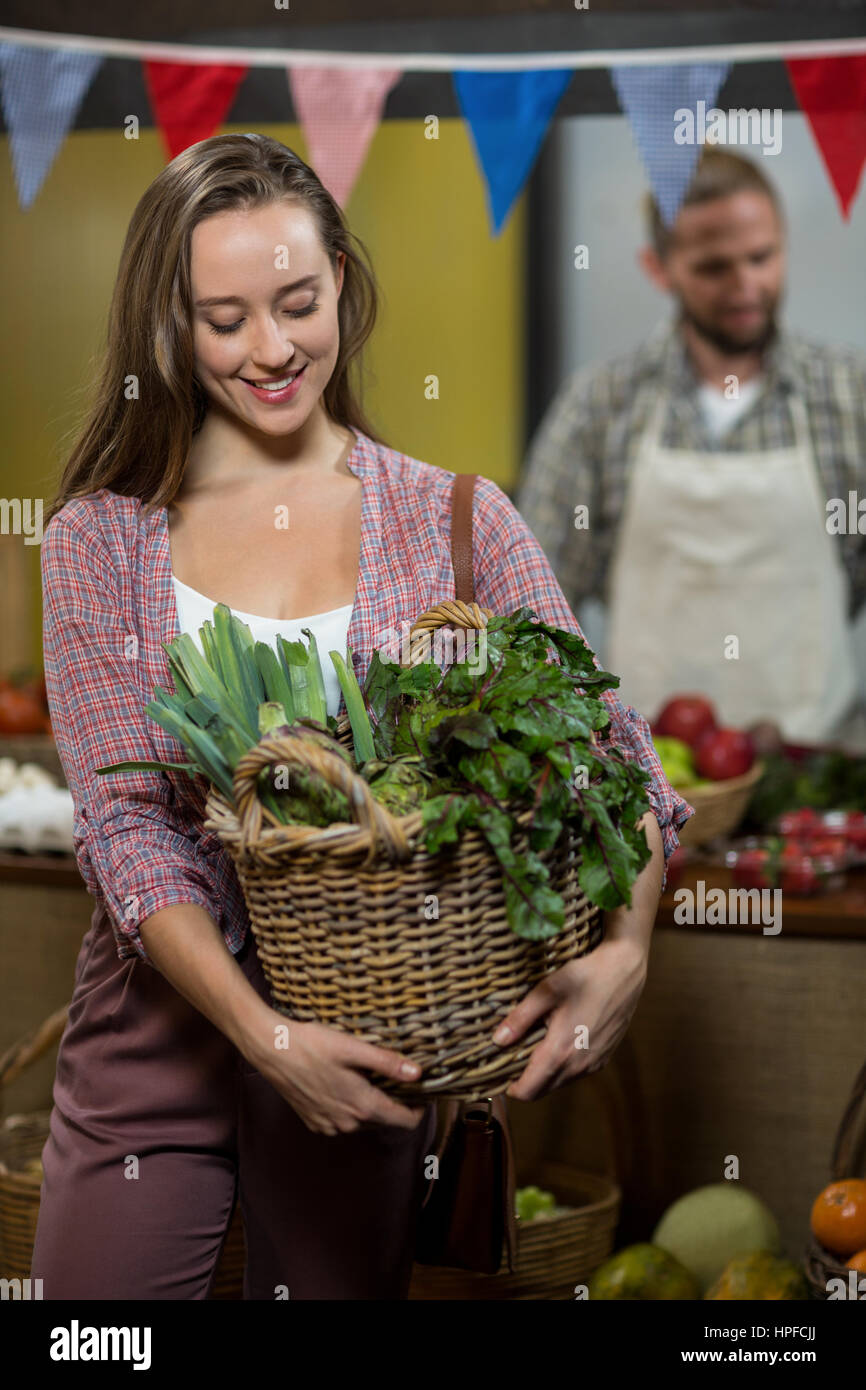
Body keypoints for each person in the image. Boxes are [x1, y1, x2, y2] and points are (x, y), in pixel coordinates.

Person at [32, 133, 690, 1301]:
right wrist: (261, 1034)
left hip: (372, 1031)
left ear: (341, 275)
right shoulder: (98, 537)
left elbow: (617, 766)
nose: (272, 349)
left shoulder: (455, 520)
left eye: (296, 301)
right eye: (223, 318)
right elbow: (126, 830)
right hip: (161, 1031)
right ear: (169, 327)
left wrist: (626, 951)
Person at [517, 149, 866, 750]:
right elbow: (535, 604)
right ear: (660, 267)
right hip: (649, 781)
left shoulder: (848, 394)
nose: (746, 285)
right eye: (713, 267)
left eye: (762, 257)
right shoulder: (599, 405)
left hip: (819, 774)